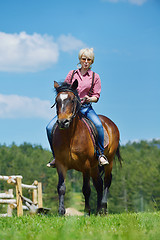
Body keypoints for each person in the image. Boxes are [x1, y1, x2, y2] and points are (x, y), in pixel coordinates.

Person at [46, 48, 109, 168]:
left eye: (88, 59)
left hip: (85, 107)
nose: (86, 61)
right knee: (49, 127)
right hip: (69, 109)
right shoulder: (72, 74)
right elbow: (64, 89)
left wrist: (89, 99)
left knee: (99, 126)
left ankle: (101, 154)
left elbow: (96, 96)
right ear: (80, 60)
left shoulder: (95, 77)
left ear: (92, 62)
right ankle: (56, 156)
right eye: (83, 59)